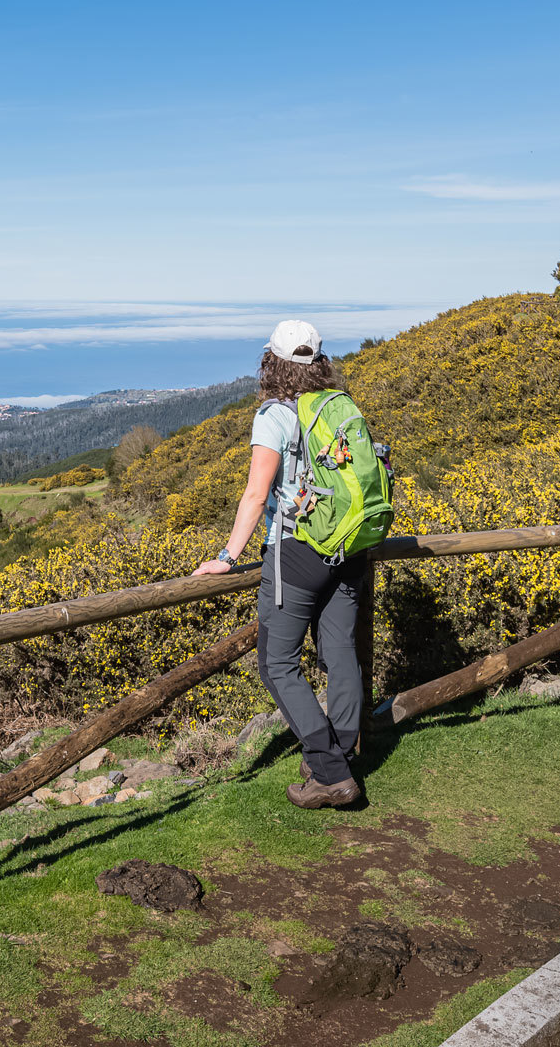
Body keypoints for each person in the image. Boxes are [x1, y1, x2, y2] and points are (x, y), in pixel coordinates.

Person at [193, 319, 366, 809]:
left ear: (271, 360)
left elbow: (256, 493)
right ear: (319, 362)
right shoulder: (338, 406)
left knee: (277, 663)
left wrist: (228, 557)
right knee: (339, 655)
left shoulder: (274, 415)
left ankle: (331, 772)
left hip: (297, 550)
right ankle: (342, 755)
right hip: (348, 548)